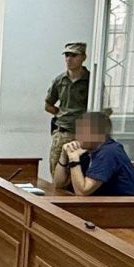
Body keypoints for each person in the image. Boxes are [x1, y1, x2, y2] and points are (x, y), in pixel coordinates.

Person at [53, 112, 134, 197]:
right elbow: (59, 184)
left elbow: (82, 192)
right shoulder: (86, 151)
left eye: (82, 132)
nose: (77, 137)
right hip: (102, 204)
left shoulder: (109, 152)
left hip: (127, 206)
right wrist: (63, 156)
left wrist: (74, 160)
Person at [45, 42, 91, 173]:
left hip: (85, 133)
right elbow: (48, 105)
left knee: (83, 171)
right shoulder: (60, 80)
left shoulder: (91, 80)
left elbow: (102, 106)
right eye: (67, 55)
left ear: (83, 57)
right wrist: (61, 114)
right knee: (57, 169)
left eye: (74, 55)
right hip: (64, 131)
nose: (69, 59)